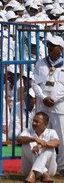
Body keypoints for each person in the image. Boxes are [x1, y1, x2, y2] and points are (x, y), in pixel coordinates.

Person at [34, 35, 64, 164]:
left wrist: (55, 99)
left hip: (59, 106)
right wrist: (43, 97)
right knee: (42, 134)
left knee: (61, 137)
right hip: (43, 105)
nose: (50, 48)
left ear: (60, 48)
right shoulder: (40, 63)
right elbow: (34, 83)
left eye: (53, 46)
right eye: (49, 45)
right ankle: (43, 165)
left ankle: (62, 165)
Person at [17, 111, 60, 183]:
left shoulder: (51, 132)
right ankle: (44, 173)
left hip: (50, 170)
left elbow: (56, 143)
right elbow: (19, 139)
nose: (34, 123)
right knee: (26, 143)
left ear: (45, 124)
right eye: (33, 121)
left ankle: (34, 173)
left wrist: (42, 145)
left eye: (37, 122)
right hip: (28, 169)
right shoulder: (28, 131)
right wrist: (34, 139)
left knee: (50, 148)